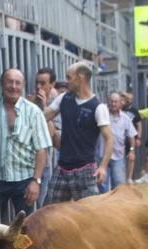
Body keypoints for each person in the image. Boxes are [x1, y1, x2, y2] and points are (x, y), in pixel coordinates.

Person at [0, 68, 50, 219]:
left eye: (18, 83)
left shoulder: (33, 111)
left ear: (23, 85)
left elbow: (42, 149)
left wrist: (36, 181)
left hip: (24, 180)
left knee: (26, 229)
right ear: (2, 83)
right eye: (9, 81)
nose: (13, 86)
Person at [42, 62, 110, 204]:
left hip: (84, 169)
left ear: (81, 78)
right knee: (48, 211)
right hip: (62, 167)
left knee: (90, 215)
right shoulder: (64, 98)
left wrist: (103, 167)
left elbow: (109, 139)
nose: (67, 82)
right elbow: (44, 116)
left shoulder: (98, 107)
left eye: (69, 77)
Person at [30, 67, 59, 205]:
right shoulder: (28, 101)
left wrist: (43, 108)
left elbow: (53, 134)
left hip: (46, 163)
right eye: (37, 82)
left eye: (42, 83)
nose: (38, 86)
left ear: (52, 84)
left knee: (42, 206)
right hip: (26, 162)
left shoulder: (57, 105)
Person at [100, 91, 137, 192]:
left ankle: (116, 207)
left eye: (116, 102)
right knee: (102, 186)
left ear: (121, 103)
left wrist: (132, 150)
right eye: (111, 101)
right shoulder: (102, 115)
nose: (113, 104)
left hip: (118, 157)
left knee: (119, 185)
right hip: (102, 156)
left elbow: (132, 135)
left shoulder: (125, 118)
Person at [122, 91, 143, 183]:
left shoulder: (134, 111)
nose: (129, 100)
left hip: (131, 138)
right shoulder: (119, 109)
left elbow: (139, 125)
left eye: (131, 99)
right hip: (121, 138)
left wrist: (138, 137)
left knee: (131, 157)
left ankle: (129, 177)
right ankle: (122, 177)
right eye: (128, 98)